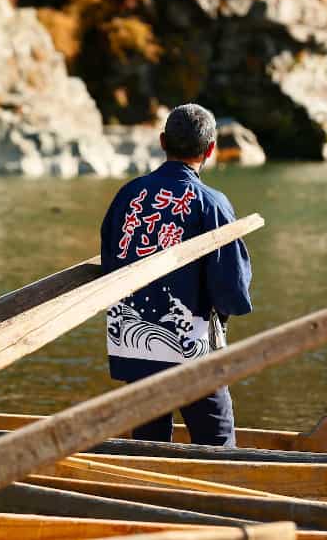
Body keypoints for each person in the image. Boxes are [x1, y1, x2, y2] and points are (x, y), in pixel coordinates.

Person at [100, 104, 253, 446]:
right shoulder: (210, 203)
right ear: (211, 149)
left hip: (132, 343)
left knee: (149, 440)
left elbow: (109, 266)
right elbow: (232, 288)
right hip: (190, 347)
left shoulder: (128, 196)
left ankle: (146, 493)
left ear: (162, 141)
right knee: (216, 441)